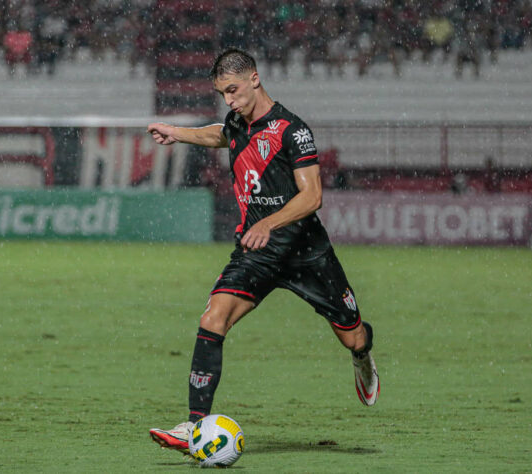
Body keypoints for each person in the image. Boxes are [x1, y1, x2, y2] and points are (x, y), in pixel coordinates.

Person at [146, 48, 380, 454]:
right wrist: (177, 131)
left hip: (307, 252)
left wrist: (267, 223)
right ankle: (195, 425)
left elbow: (313, 197)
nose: (230, 101)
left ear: (255, 78)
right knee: (213, 318)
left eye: (234, 91)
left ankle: (363, 357)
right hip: (258, 253)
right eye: (223, 94)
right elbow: (220, 133)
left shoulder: (294, 130)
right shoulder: (237, 121)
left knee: (353, 337)